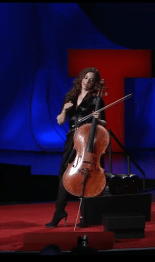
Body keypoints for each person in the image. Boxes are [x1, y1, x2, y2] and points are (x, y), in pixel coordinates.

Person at [45, 67, 107, 228]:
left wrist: (98, 119)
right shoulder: (70, 97)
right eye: (86, 78)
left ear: (94, 83)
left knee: (87, 177)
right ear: (81, 79)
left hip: (87, 141)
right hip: (72, 140)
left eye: (91, 80)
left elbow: (104, 124)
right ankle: (59, 212)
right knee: (63, 176)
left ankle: (87, 215)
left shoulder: (96, 100)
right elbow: (60, 121)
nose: (88, 81)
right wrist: (64, 110)